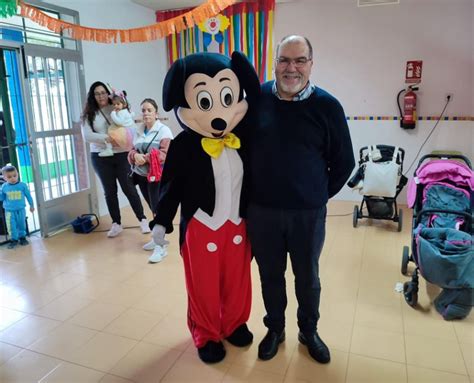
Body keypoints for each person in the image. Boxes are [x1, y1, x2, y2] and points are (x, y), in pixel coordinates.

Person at [246, 35, 355, 364]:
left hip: (307, 214)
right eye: (284, 60)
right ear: (274, 61)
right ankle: (275, 328)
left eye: (299, 60)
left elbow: (344, 162)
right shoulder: (257, 98)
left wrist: (317, 195)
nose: (291, 68)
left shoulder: (328, 106)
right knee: (270, 275)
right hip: (262, 211)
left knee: (307, 277)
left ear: (311, 64)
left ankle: (309, 331)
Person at [81, 81, 150, 238]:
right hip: (100, 156)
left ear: (108, 93)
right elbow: (87, 136)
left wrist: (119, 96)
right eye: (97, 94)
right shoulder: (88, 114)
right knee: (109, 191)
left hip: (121, 154)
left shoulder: (117, 107)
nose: (101, 96)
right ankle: (116, 223)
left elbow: (129, 124)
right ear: (93, 96)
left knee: (129, 188)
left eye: (103, 92)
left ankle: (143, 219)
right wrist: (108, 138)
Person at [127, 98, 173, 263]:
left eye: (149, 110)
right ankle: (156, 239)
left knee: (158, 210)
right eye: (143, 110)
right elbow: (131, 151)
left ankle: (161, 247)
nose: (146, 113)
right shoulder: (138, 131)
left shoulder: (164, 131)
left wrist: (145, 158)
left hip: (157, 177)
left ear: (156, 113)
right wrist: (134, 156)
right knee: (152, 207)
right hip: (142, 177)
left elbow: (165, 155)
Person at [0, 164, 35, 249]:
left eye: (15, 175)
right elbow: (2, 198)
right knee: (11, 226)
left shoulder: (22, 185)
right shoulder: (4, 187)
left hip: (21, 209)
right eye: (9, 177)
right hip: (9, 211)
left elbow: (28, 195)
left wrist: (31, 205)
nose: (13, 178)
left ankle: (22, 237)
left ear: (17, 174)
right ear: (4, 178)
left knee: (21, 224)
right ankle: (14, 240)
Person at [98, 89, 135, 157]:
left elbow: (119, 122)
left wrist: (113, 114)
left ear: (123, 104)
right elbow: (131, 115)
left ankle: (109, 149)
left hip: (125, 131)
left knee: (110, 131)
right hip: (131, 130)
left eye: (118, 104)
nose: (116, 106)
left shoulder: (121, 112)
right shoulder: (126, 111)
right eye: (114, 104)